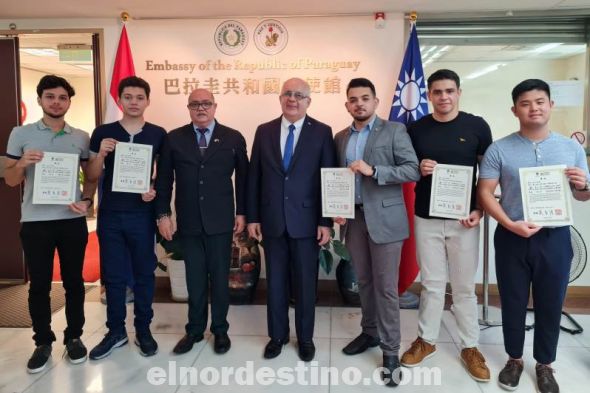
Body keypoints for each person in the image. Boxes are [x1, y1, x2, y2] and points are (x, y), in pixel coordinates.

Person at [478, 79, 590, 393]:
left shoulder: (571, 148)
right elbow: (485, 193)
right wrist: (509, 223)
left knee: (551, 302)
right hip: (512, 236)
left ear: (551, 105)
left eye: (540, 101)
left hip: (555, 238)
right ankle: (514, 359)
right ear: (515, 110)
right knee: (512, 301)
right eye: (526, 103)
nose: (534, 108)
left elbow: (583, 196)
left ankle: (545, 364)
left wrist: (583, 184)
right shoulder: (499, 148)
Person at [401, 69, 492, 381]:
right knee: (432, 284)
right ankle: (426, 341)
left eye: (449, 91)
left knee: (465, 287)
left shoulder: (477, 126)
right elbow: (406, 169)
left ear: (458, 93)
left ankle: (470, 346)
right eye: (437, 92)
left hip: (465, 219)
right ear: (429, 95)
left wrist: (480, 209)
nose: (443, 97)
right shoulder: (417, 129)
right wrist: (418, 168)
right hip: (427, 217)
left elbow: (487, 176)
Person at [4, 75, 96, 373]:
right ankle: (42, 341)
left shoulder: (81, 136)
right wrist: (21, 164)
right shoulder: (21, 133)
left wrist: (87, 200)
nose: (56, 102)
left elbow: (91, 177)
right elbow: (10, 180)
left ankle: (74, 338)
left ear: (69, 101)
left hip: (71, 221)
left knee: (74, 283)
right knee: (39, 285)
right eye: (50, 97)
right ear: (40, 99)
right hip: (35, 222)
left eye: (62, 97)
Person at [333, 78, 420, 386]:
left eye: (365, 98)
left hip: (386, 221)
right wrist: (338, 207)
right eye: (353, 99)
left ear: (375, 101)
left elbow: (413, 169)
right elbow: (338, 179)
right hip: (354, 220)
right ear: (347, 105)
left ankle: (390, 350)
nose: (359, 103)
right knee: (365, 281)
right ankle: (369, 332)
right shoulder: (340, 137)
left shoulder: (394, 131)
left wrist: (376, 171)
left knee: (386, 287)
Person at [247, 77, 336, 362]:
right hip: (272, 220)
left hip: (308, 222)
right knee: (275, 282)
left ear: (308, 101)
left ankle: (306, 338)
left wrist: (325, 221)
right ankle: (277, 336)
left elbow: (327, 178)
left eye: (299, 95)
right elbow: (254, 177)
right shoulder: (264, 131)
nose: (292, 99)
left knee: (306, 284)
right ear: (280, 98)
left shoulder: (322, 132)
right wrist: (253, 217)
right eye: (287, 94)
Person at [155, 88, 248, 355]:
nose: (201, 108)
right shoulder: (175, 139)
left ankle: (220, 330)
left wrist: (242, 212)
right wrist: (163, 214)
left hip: (221, 222)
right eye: (195, 104)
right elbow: (164, 181)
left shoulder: (232, 137)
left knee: (220, 278)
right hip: (190, 222)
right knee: (195, 279)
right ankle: (194, 330)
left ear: (215, 107)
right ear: (188, 108)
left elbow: (244, 178)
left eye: (206, 103)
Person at [86, 76, 166, 359]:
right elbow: (93, 176)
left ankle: (143, 329)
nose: (133, 102)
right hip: (110, 214)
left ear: (147, 101)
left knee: (145, 274)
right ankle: (116, 331)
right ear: (119, 100)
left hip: (142, 215)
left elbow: (163, 176)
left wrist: (153, 191)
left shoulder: (158, 134)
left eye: (139, 97)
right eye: (128, 97)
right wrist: (100, 155)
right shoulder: (103, 132)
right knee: (115, 275)